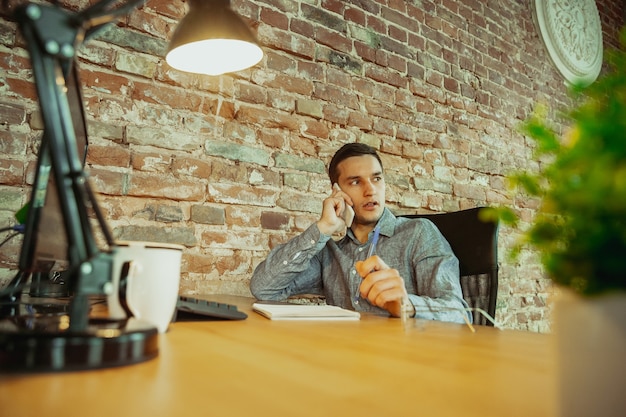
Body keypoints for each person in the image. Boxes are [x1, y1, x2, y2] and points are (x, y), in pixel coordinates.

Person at [250, 143, 470, 323]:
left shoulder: (418, 233)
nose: (370, 190)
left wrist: (408, 305)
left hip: (407, 363)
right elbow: (264, 288)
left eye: (376, 178)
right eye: (356, 182)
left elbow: (460, 314)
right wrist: (323, 228)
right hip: (348, 362)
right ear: (338, 192)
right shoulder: (330, 249)